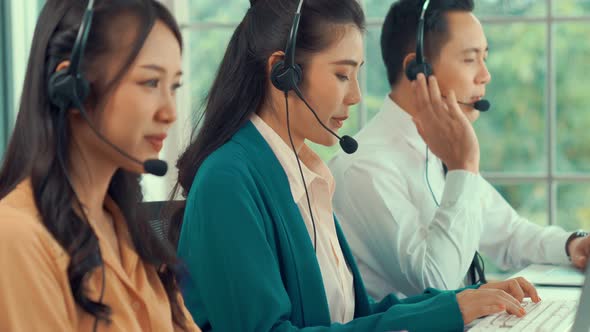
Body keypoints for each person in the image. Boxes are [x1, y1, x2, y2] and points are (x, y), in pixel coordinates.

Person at [171, 0, 539, 331]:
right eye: (342, 75)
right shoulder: (229, 179)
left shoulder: (305, 173)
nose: (357, 96)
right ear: (283, 72)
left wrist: (462, 300)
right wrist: (449, 310)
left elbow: (352, 315)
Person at [329, 0, 590, 300]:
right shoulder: (365, 168)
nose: (485, 75)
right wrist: (463, 166)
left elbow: (509, 234)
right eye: (470, 59)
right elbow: (435, 284)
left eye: (485, 58)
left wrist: (573, 244)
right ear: (417, 70)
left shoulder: (439, 148)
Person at [0, 0, 200, 330]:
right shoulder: (17, 239)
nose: (170, 112)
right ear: (71, 88)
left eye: (174, 86)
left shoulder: (131, 235)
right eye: (151, 83)